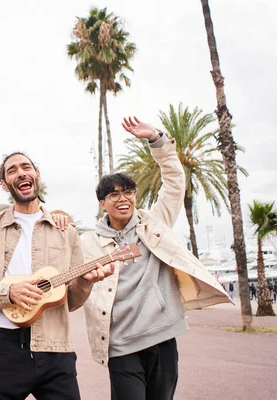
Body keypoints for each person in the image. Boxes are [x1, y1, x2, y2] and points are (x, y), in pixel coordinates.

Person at [80, 116, 232, 400]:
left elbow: (174, 183)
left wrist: (157, 140)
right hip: (121, 345)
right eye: (113, 195)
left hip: (162, 336)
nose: (123, 198)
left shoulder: (154, 222)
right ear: (102, 203)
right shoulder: (88, 242)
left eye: (128, 192)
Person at [0, 151, 113, 400]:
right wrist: (7, 293)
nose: (20, 172)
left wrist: (85, 282)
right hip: (1, 346)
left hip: (55, 346)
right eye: (12, 170)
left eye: (26, 167)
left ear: (36, 174)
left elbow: (70, 301)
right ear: (4, 184)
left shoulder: (66, 231)